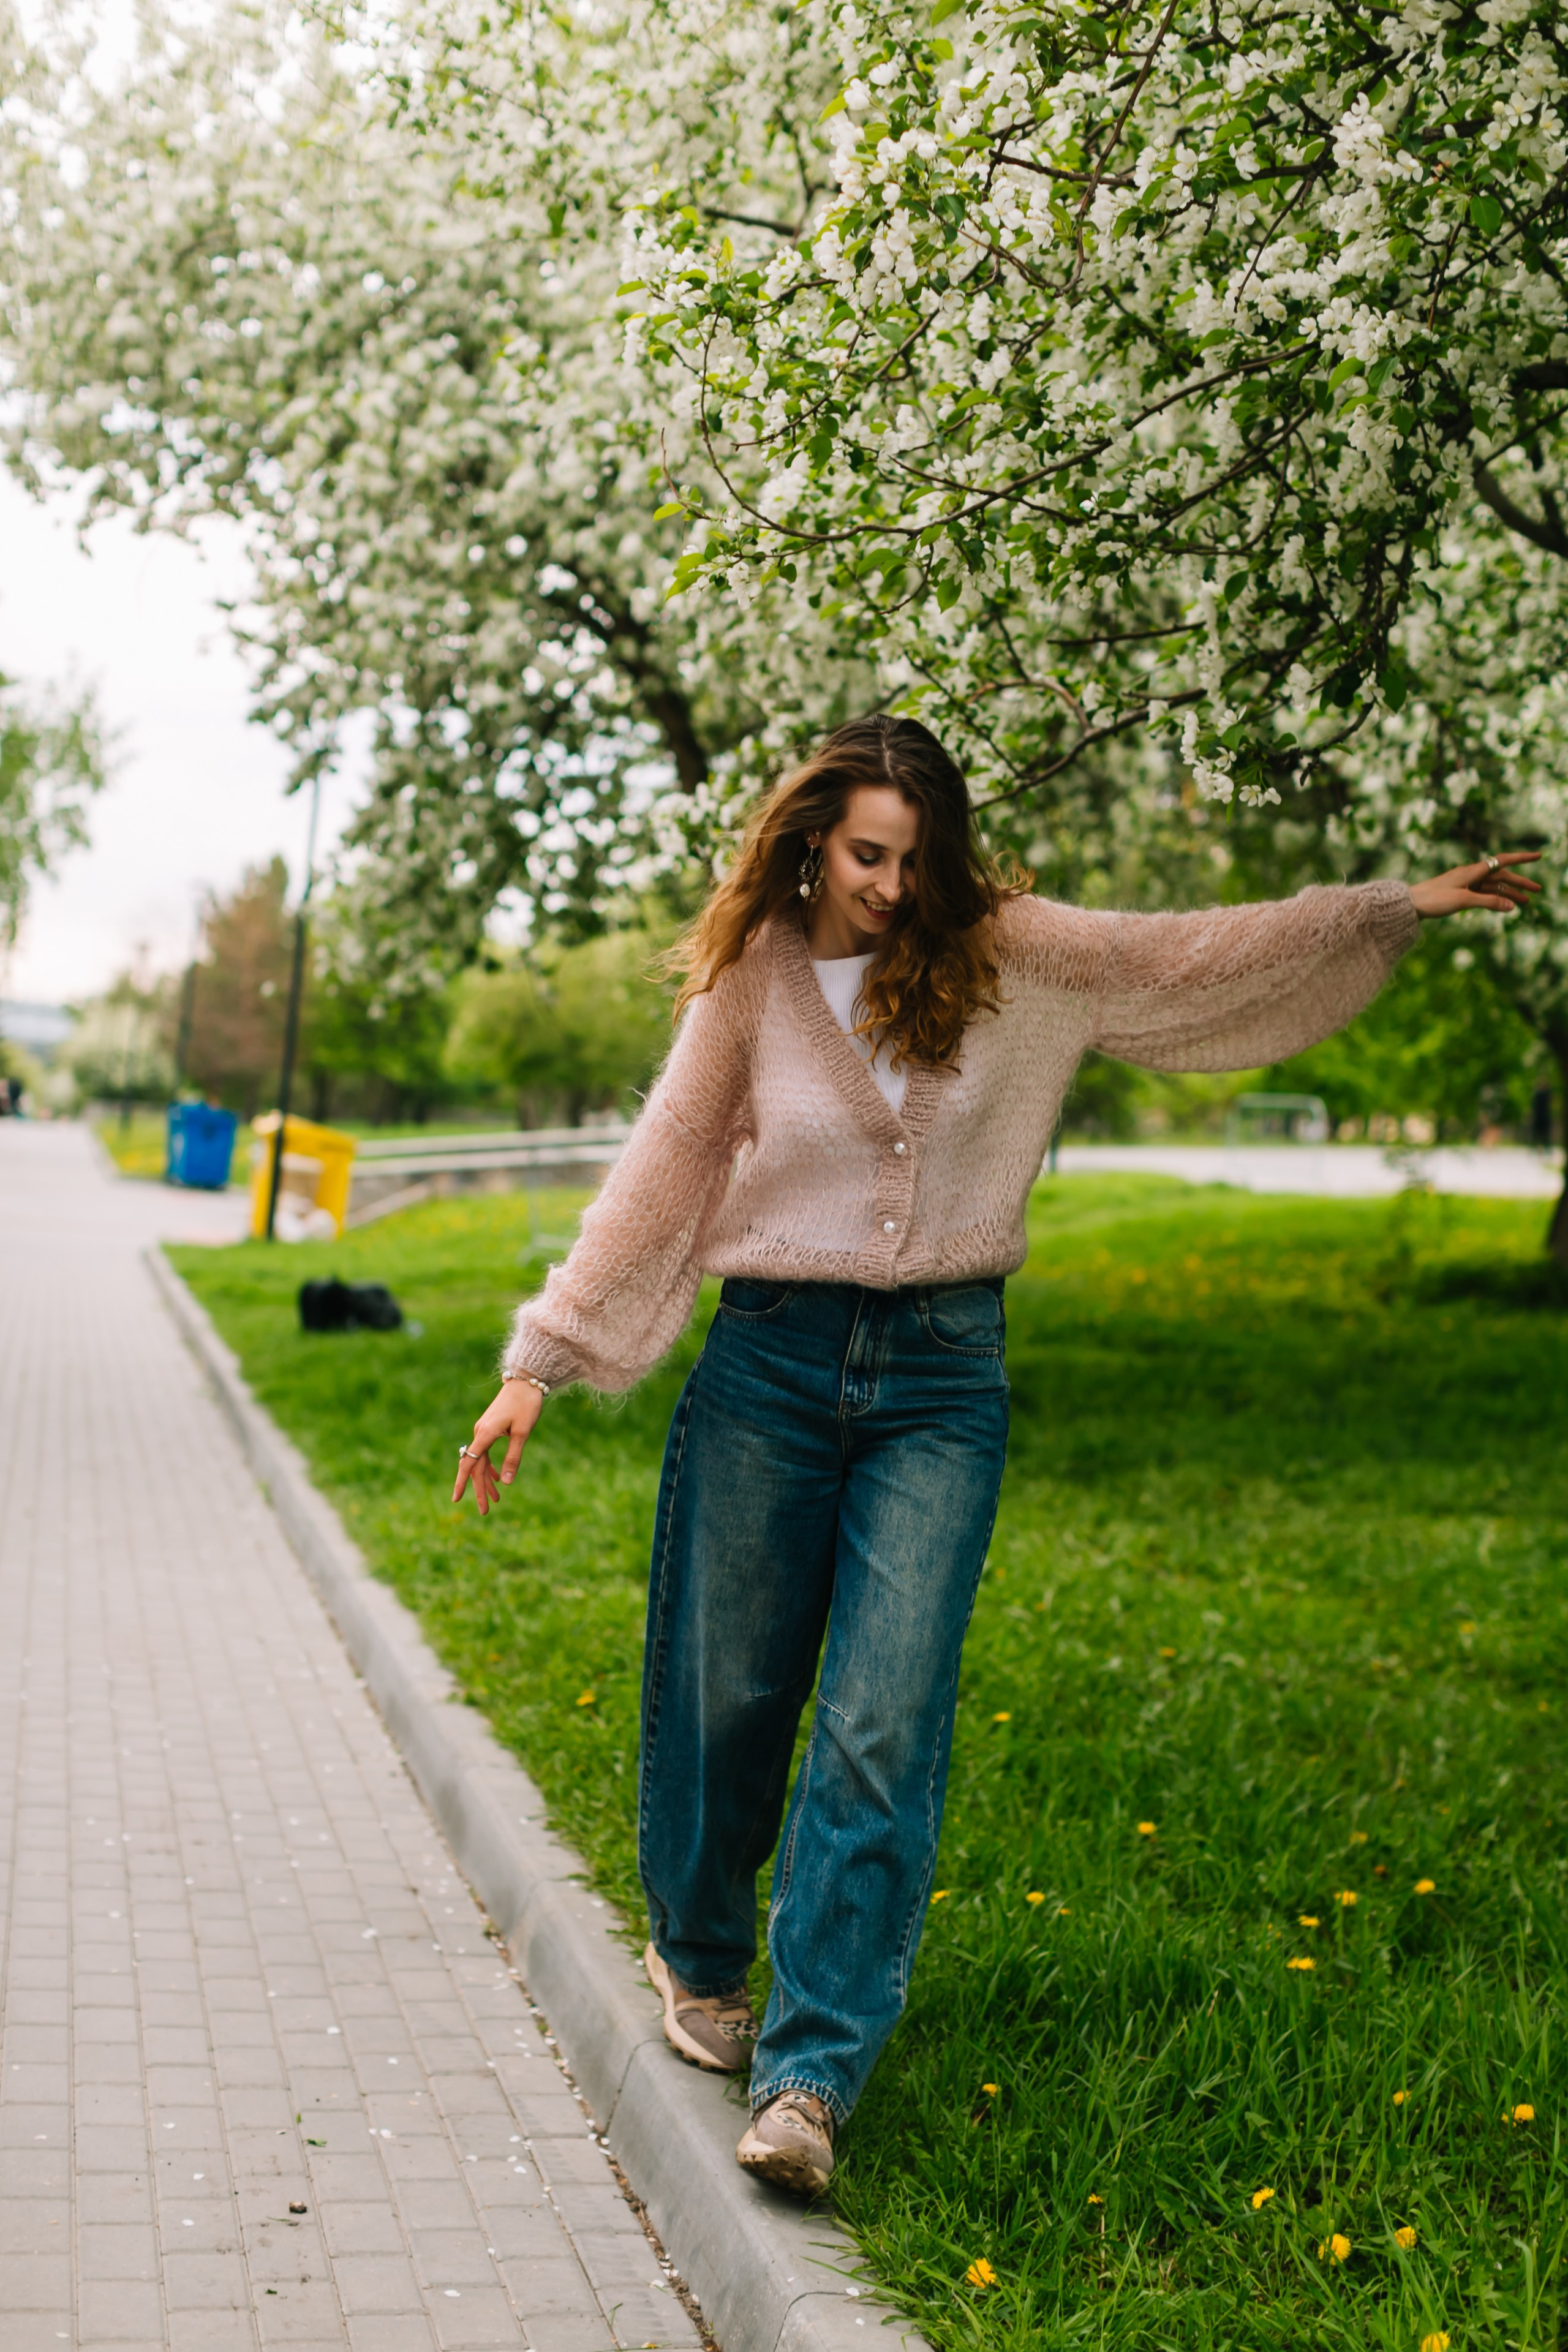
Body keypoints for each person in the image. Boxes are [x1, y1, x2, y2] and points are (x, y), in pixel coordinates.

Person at [453, 714, 1539, 2196]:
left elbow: (1187, 954)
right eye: (863, 855)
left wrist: (1382, 908)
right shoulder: (760, 973)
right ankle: (700, 1947)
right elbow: (667, 1163)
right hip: (769, 1357)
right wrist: (540, 1360)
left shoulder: (1019, 953)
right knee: (728, 1687)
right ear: (806, 838)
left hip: (941, 1382)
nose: (890, 887)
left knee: (879, 1721)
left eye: (913, 858)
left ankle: (810, 2077)